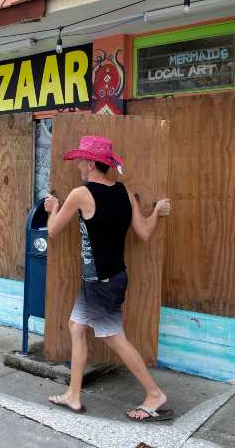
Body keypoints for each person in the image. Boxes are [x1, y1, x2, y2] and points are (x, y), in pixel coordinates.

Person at [44, 135, 172, 422]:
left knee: (115, 338)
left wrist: (52, 210)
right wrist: (157, 212)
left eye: (81, 160)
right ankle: (73, 396)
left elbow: (53, 231)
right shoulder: (123, 192)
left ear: (91, 163)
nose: (77, 164)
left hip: (101, 283)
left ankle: (154, 394)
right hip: (108, 278)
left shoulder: (81, 194)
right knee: (76, 326)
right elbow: (144, 233)